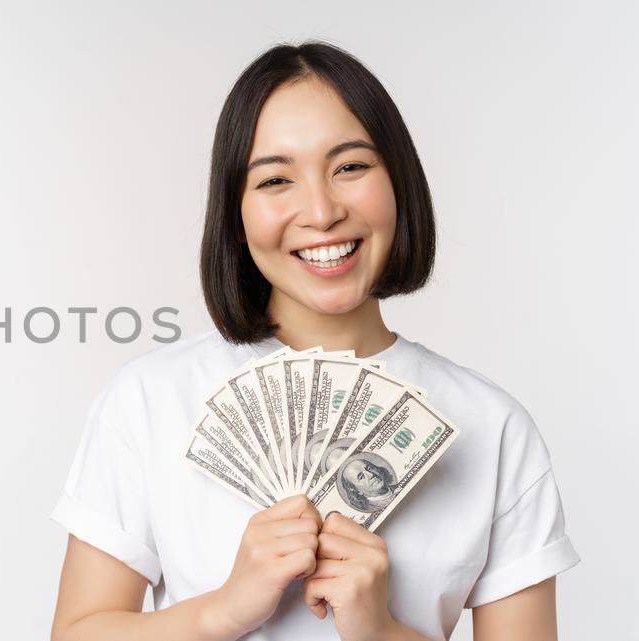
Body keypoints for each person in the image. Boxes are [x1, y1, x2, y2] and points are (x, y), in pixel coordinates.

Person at [48, 41, 578, 641]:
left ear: (399, 180)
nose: (321, 211)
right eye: (276, 179)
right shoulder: (149, 400)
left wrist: (380, 632)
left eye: (350, 167)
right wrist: (225, 609)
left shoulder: (494, 427)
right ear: (236, 213)